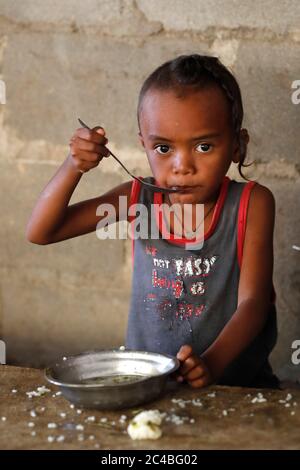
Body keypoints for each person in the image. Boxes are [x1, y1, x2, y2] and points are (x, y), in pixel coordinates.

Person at [26, 54, 279, 389]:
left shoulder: (251, 203)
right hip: (150, 387)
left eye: (204, 146)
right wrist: (74, 166)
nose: (181, 166)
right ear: (143, 144)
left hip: (237, 389)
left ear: (236, 145)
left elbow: (254, 303)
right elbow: (42, 231)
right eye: (163, 148)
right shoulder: (137, 199)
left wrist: (212, 365)